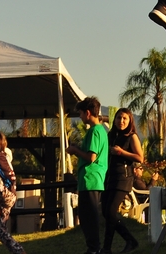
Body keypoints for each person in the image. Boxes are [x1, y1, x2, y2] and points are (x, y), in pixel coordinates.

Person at [67, 96, 109, 254]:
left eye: (81, 113)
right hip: (94, 179)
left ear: (88, 113)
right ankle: (94, 247)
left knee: (88, 217)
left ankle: (94, 248)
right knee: (87, 215)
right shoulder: (102, 131)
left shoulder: (94, 131)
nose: (80, 116)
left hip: (90, 178)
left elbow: (91, 157)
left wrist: (75, 150)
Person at [102, 109, 142, 253]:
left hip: (123, 178)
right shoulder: (110, 135)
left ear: (130, 120)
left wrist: (122, 152)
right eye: (119, 118)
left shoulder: (131, 137)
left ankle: (108, 248)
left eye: (125, 118)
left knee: (111, 211)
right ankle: (129, 240)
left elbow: (140, 157)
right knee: (106, 212)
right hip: (109, 178)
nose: (121, 121)